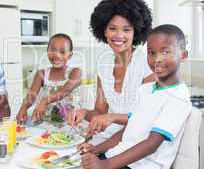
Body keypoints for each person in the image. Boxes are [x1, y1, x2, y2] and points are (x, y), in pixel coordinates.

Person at [80, 24, 191, 169]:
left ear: (183, 56)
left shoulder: (178, 97)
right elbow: (127, 130)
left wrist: (105, 165)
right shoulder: (145, 90)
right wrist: (98, 149)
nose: (157, 59)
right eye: (151, 53)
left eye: (165, 52)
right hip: (118, 157)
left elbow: (151, 144)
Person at [68, 0, 155, 136]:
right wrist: (83, 112)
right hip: (110, 138)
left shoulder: (146, 63)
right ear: (104, 31)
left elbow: (148, 117)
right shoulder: (104, 65)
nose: (119, 35)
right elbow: (100, 112)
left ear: (136, 32)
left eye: (126, 29)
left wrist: (112, 117)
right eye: (112, 28)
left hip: (139, 141)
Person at [16, 33, 81, 124]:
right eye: (53, 50)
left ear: (70, 55)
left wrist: (45, 100)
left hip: (70, 123)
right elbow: (31, 96)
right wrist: (23, 108)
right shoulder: (41, 74)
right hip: (45, 123)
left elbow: (64, 91)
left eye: (62, 52)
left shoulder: (75, 72)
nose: (57, 55)